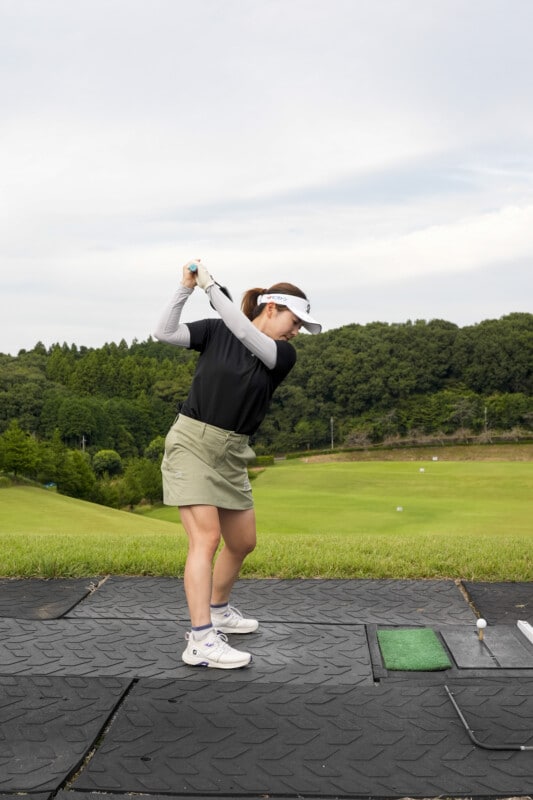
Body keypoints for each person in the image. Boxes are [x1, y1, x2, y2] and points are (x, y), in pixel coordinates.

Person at [154, 260, 321, 669]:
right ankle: (200, 640)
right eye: (294, 321)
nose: (297, 331)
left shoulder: (282, 354)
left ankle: (218, 609)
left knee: (243, 541)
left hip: (232, 453)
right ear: (271, 308)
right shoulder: (215, 332)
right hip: (192, 443)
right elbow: (164, 332)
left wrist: (211, 288)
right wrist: (186, 287)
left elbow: (244, 331)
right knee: (206, 540)